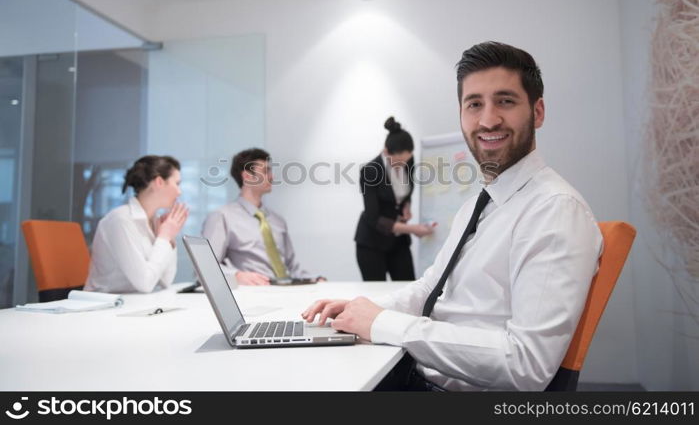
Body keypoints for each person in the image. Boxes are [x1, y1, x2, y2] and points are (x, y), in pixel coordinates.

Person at [302, 42, 603, 391]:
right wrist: (361, 310)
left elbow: (527, 365)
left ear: (537, 112)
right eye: (474, 104)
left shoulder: (554, 210)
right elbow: (431, 288)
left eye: (505, 101)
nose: (488, 119)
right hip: (418, 371)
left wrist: (383, 323)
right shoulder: (479, 204)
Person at [202, 148, 321, 286]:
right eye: (265, 171)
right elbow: (205, 268)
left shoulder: (278, 221)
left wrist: (315, 279)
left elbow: (292, 267)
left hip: (288, 291)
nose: (272, 177)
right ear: (247, 176)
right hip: (254, 294)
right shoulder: (222, 217)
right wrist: (236, 275)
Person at [85, 155, 188, 293]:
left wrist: (169, 239)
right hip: (104, 307)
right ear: (159, 182)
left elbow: (166, 280)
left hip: (134, 304)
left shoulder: (154, 222)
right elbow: (145, 283)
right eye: (177, 183)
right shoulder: (121, 220)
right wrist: (164, 237)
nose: (179, 191)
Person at [355, 117, 435, 281]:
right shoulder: (370, 171)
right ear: (386, 152)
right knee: (377, 296)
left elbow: (404, 190)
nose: (402, 166)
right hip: (372, 242)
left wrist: (407, 205)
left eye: (405, 161)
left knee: (408, 287)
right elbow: (373, 217)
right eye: (397, 163)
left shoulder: (408, 160)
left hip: (398, 242)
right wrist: (413, 229)